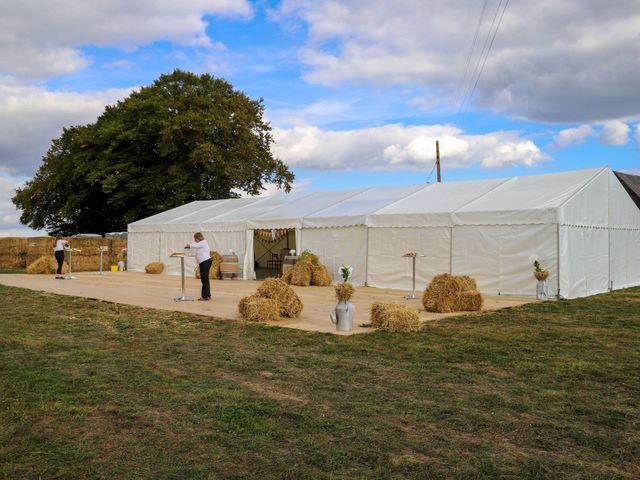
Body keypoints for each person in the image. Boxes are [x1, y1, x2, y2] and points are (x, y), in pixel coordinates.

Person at [186, 232, 212, 301]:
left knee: (204, 279)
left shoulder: (203, 242)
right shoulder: (200, 243)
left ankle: (204, 296)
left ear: (198, 238)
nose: (195, 240)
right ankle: (207, 295)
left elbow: (194, 245)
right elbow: (194, 244)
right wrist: (190, 245)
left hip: (205, 262)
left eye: (195, 238)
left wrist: (188, 245)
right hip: (204, 262)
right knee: (205, 279)